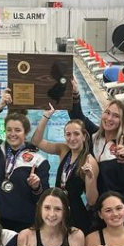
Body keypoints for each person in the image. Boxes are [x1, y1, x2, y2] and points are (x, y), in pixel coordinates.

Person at [0, 89, 51, 231]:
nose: (12, 134)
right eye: (9, 130)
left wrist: (36, 187)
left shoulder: (38, 161)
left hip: (24, 223)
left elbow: (43, 198)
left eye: (17, 130)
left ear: (25, 132)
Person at [31, 99, 99, 234]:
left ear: (84, 136)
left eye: (76, 134)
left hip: (75, 214)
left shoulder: (89, 161)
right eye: (68, 134)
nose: (72, 138)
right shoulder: (63, 150)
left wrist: (90, 179)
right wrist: (46, 116)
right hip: (56, 208)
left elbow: (92, 201)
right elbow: (36, 141)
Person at [68, 96, 124, 217]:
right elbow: (77, 116)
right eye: (107, 113)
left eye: (116, 116)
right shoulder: (94, 137)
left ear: (123, 121)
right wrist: (75, 93)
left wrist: (123, 160)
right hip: (94, 206)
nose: (109, 118)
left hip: (115, 210)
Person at [16, 188, 86, 246]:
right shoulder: (26, 236)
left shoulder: (76, 236)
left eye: (57, 209)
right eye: (47, 208)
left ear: (66, 211)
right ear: (40, 208)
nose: (52, 214)